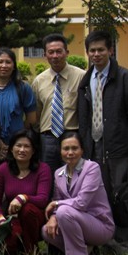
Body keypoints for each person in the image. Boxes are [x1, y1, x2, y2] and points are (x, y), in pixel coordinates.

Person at [42, 132, 114, 255]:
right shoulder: (58, 173)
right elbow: (58, 199)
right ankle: (86, 250)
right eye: (66, 149)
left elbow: (81, 203)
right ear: (60, 151)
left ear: (82, 150)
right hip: (72, 219)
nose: (70, 153)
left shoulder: (92, 168)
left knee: (64, 212)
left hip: (99, 224)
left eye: (74, 148)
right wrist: (53, 217)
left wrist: (57, 204)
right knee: (46, 230)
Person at [77, 30, 128, 205]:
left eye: (101, 50)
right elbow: (83, 117)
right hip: (93, 147)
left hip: (119, 147)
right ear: (87, 52)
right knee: (99, 194)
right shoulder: (85, 82)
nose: (96, 54)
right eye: (92, 50)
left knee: (121, 194)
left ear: (110, 50)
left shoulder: (124, 77)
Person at [0, 129, 51, 255]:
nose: (22, 150)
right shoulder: (3, 169)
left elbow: (43, 199)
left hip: (36, 218)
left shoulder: (43, 169)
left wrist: (23, 198)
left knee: (27, 209)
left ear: (33, 151)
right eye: (18, 146)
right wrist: (0, 218)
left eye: (27, 146)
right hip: (13, 218)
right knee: (10, 248)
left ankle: (31, 252)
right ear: (11, 149)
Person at [31, 33, 85, 173]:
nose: (55, 56)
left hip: (72, 134)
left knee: (74, 174)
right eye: (51, 52)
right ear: (45, 55)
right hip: (48, 137)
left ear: (66, 52)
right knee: (48, 174)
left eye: (59, 51)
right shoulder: (39, 81)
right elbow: (37, 112)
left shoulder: (81, 76)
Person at [0, 48, 36, 161]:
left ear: (14, 66)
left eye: (8, 62)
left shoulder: (23, 88)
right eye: (0, 62)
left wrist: (18, 133)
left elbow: (31, 119)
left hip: (17, 144)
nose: (4, 65)